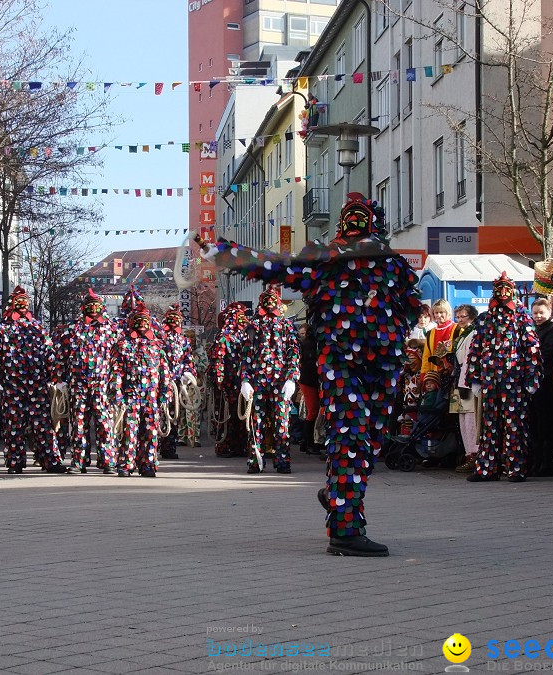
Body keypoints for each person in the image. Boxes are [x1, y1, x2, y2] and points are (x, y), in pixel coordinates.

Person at [199, 192, 420, 556]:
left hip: (384, 369)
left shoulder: (394, 265)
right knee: (350, 440)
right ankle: (345, 531)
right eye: (351, 223)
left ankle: (337, 495)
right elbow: (270, 265)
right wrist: (218, 251)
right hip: (342, 368)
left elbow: (411, 309)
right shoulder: (324, 262)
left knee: (371, 444)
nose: (356, 233)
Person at [465, 272, 542, 482]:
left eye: (506, 290)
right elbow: (476, 347)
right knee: (489, 424)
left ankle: (515, 467)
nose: (502, 295)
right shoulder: (485, 318)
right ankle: (487, 468)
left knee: (514, 424)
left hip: (514, 381)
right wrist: (475, 377)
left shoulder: (521, 315)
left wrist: (531, 379)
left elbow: (532, 348)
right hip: (490, 381)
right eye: (499, 290)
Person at [0, 286, 66, 474]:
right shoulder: (0, 329)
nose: (22, 307)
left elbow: (49, 353)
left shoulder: (37, 327)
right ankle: (15, 461)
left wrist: (57, 377)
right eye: (18, 303)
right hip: (13, 385)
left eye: (25, 303)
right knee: (14, 424)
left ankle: (50, 460)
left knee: (43, 424)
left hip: (37, 385)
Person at [53, 289, 120, 473]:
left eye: (96, 305)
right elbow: (61, 355)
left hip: (102, 386)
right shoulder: (72, 330)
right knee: (79, 424)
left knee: (104, 424)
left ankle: (107, 461)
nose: (93, 308)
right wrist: (60, 380)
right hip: (78, 386)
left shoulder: (112, 330)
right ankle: (78, 461)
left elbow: (119, 358)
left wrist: (116, 381)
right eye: (89, 305)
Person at [239, 287, 300, 474]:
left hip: (279, 382)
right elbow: (246, 355)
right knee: (257, 421)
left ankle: (281, 460)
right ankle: (256, 460)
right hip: (259, 381)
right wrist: (245, 380)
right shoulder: (253, 326)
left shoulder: (285, 326)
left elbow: (294, 353)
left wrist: (291, 378)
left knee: (281, 421)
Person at [112, 302, 171, 477]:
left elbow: (164, 372)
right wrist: (117, 394)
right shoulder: (123, 345)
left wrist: (164, 393)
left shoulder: (156, 346)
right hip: (131, 395)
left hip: (151, 397)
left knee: (151, 431)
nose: (142, 324)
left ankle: (148, 464)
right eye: (138, 321)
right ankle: (127, 463)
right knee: (130, 430)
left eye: (145, 321)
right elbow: (116, 371)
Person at [208, 303, 250, 458]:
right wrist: (219, 380)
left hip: (239, 383)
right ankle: (227, 445)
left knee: (238, 414)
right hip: (229, 383)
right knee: (226, 415)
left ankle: (238, 445)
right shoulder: (225, 337)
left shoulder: (243, 336)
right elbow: (218, 359)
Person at [528, 298, 553, 476]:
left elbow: (545, 354)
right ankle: (537, 461)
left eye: (541, 312)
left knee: (546, 426)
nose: (538, 316)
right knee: (535, 425)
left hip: (546, 383)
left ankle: (547, 463)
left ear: (549, 311)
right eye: (535, 313)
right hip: (533, 383)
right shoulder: (534, 329)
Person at [159, 305, 196, 460]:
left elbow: (188, 359)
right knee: (160, 415)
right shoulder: (160, 338)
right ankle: (155, 446)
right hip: (160, 383)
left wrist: (187, 372)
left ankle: (169, 447)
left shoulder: (183, 341)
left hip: (176, 383)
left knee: (173, 416)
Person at [448, 304, 479, 473]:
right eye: (458, 317)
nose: (459, 320)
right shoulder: (462, 335)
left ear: (472, 317)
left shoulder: (473, 333)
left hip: (466, 381)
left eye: (463, 316)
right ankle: (468, 453)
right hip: (459, 379)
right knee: (462, 417)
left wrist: (468, 382)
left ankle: (474, 453)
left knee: (470, 418)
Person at [298, 320, 322, 457]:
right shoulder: (312, 346)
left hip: (308, 381)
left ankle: (306, 443)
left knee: (311, 412)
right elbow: (311, 367)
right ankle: (309, 444)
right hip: (310, 382)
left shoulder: (307, 344)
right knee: (312, 412)